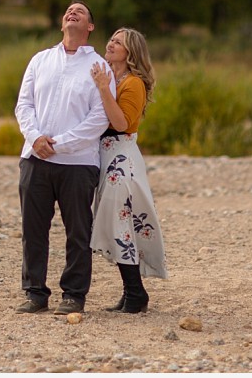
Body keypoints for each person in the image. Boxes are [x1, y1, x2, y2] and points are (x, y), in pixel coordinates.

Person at [14, 0, 113, 316]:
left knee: (78, 232)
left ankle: (73, 295)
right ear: (61, 24)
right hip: (35, 158)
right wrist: (36, 138)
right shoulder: (40, 60)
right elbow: (23, 105)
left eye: (81, 11)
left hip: (78, 163)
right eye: (69, 10)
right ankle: (35, 293)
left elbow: (99, 119)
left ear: (90, 27)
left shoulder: (100, 67)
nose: (73, 12)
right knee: (33, 230)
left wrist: (59, 144)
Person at [89, 27, 167, 314]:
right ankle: (132, 292)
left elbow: (121, 123)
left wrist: (101, 88)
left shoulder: (132, 83)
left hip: (121, 159)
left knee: (120, 223)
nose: (110, 44)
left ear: (130, 52)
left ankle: (136, 293)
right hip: (108, 157)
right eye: (111, 38)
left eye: (117, 42)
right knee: (117, 223)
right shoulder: (111, 78)